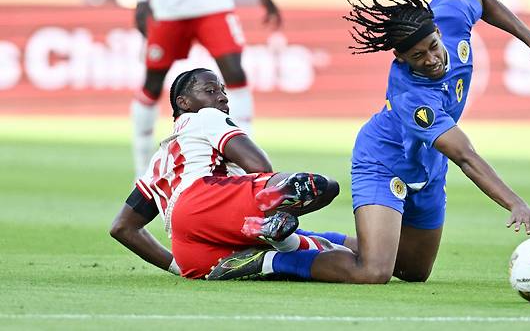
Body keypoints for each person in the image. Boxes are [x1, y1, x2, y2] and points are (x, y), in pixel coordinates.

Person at [211, 0, 530, 283]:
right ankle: (272, 262)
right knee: (373, 271)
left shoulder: (450, 17)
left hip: (428, 168)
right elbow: (465, 156)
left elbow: (482, 0)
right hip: (384, 162)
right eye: (418, 56)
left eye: (432, 47)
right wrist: (515, 202)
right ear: (400, 59)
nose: (432, 59)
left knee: (413, 272)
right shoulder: (411, 96)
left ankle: (306, 241)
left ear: (439, 30)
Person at [111, 68, 353, 279]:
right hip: (206, 201)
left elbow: (123, 228)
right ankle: (276, 233)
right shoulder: (205, 117)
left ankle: (276, 243)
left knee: (335, 257)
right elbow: (259, 166)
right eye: (211, 90)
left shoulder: (159, 163)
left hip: (193, 249)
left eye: (223, 91)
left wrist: (177, 265)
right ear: (184, 103)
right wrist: (274, 196)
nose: (223, 97)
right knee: (325, 186)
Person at [130, 0, 282, 177]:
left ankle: (243, 162)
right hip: (170, 1)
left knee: (235, 72)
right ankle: (141, 170)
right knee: (152, 81)